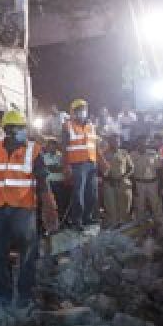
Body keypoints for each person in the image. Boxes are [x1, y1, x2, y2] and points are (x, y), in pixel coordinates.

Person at [0, 110, 57, 308]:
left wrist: (49, 204)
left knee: (28, 252)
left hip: (24, 209)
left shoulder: (33, 149)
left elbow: (42, 179)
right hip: (0, 207)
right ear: (9, 130)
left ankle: (25, 293)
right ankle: (2, 291)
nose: (24, 131)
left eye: (23, 128)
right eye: (20, 128)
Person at [62, 98, 99, 229]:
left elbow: (95, 145)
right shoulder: (68, 126)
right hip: (77, 165)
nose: (82, 112)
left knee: (92, 193)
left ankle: (87, 218)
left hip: (91, 163)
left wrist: (100, 162)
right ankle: (77, 220)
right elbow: (64, 148)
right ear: (73, 112)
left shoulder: (91, 126)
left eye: (83, 109)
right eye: (78, 110)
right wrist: (66, 166)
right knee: (78, 194)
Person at [130, 135, 163, 238]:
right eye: (141, 142)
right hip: (139, 184)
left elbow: (160, 169)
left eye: (145, 142)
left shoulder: (153, 153)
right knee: (139, 208)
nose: (143, 144)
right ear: (137, 143)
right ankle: (141, 233)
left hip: (153, 184)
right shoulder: (132, 155)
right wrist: (133, 187)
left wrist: (161, 185)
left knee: (157, 207)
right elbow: (130, 172)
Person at [98, 133, 134, 228]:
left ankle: (123, 225)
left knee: (125, 206)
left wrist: (123, 177)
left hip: (122, 183)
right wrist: (108, 178)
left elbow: (131, 168)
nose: (116, 142)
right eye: (113, 141)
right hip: (108, 183)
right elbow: (99, 169)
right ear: (109, 142)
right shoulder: (103, 154)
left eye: (117, 141)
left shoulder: (124, 153)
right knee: (110, 207)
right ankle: (112, 225)